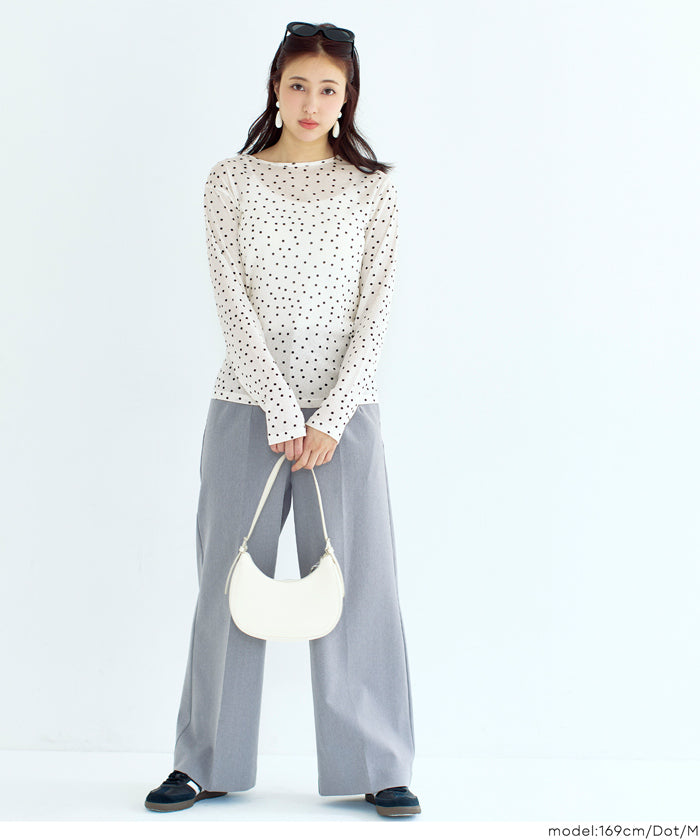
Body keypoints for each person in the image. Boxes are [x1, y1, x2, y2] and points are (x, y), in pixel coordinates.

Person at [144, 21, 420, 818]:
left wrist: (330, 416)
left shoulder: (373, 189)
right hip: (245, 408)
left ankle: (378, 763)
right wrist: (277, 408)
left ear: (347, 98)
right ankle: (204, 762)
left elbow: (376, 312)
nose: (310, 101)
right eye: (298, 84)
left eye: (328, 89)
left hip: (345, 416)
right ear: (275, 86)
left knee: (361, 586)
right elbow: (232, 301)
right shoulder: (230, 181)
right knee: (226, 585)